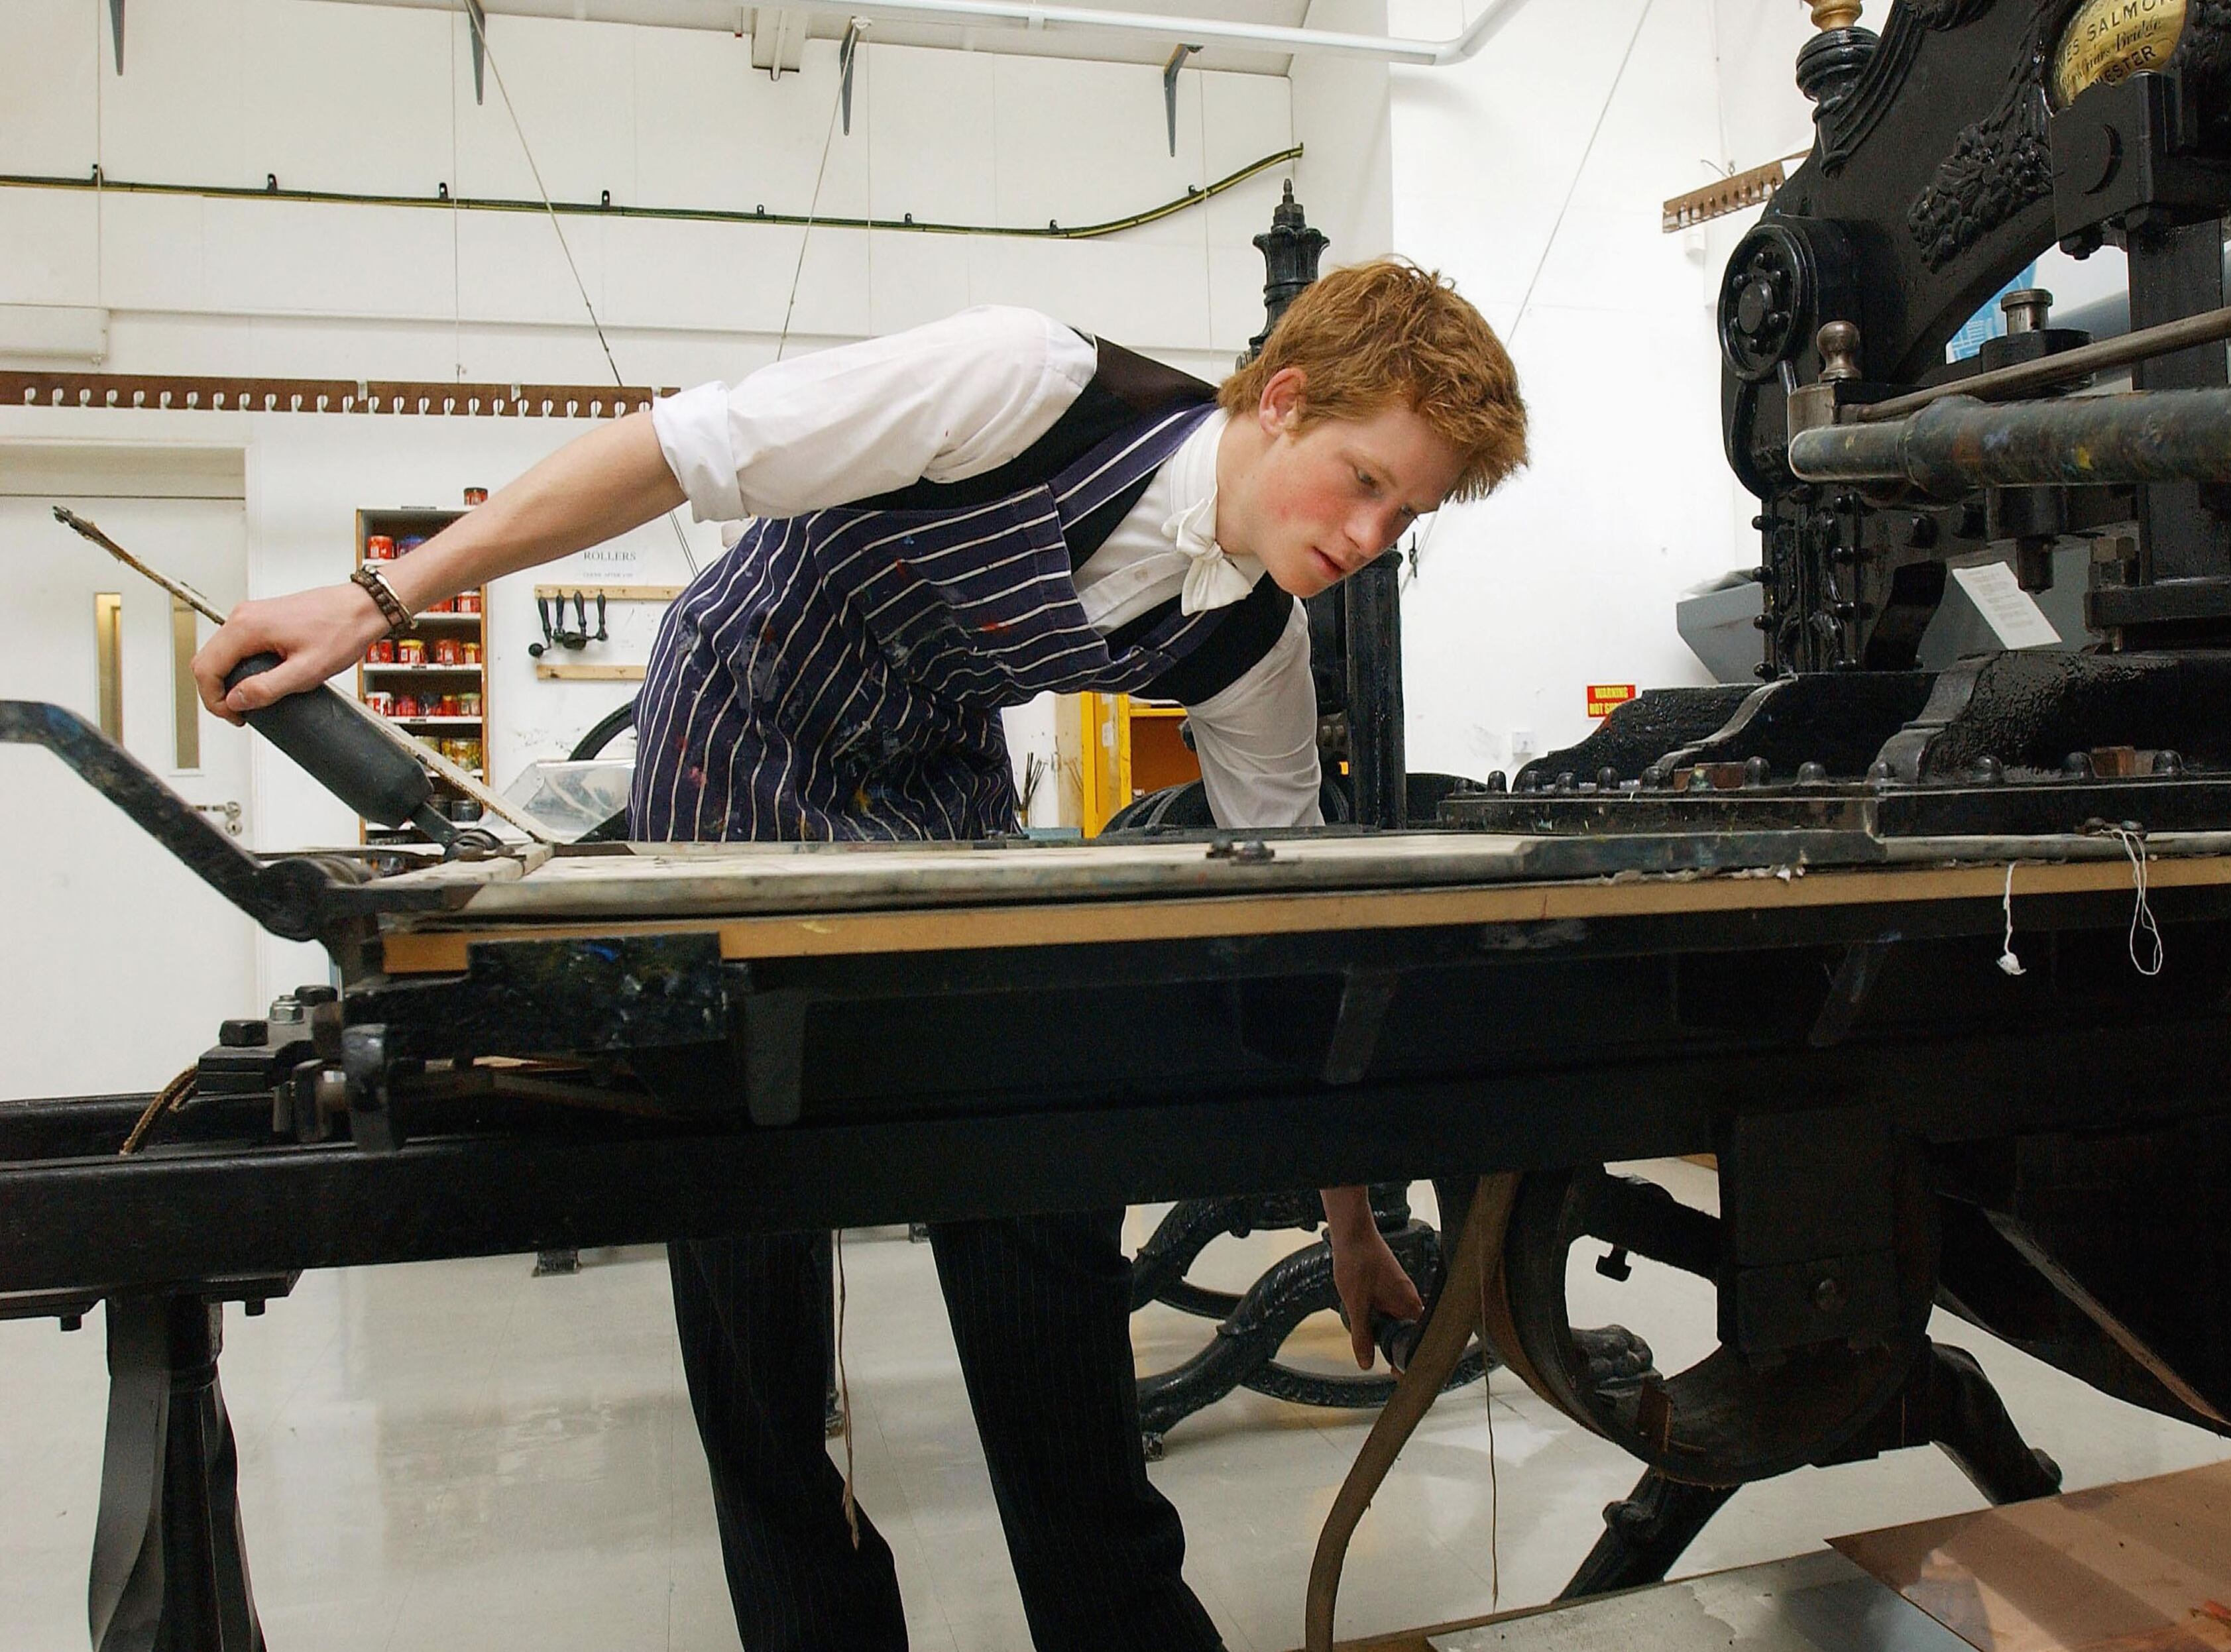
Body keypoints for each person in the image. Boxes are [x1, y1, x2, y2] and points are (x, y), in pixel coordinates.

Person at [194, 256, 1530, 1651]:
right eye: (1365, 482)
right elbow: (676, 450)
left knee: (1032, 1172)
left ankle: (1118, 1622)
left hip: (929, 783)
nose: (1372, 536)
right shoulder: (1027, 381)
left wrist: (1350, 1220)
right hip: (741, 729)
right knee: (747, 1213)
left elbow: (1290, 930)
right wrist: (380, 601)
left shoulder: (1255, 643)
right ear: (1286, 399)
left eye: (1408, 514)